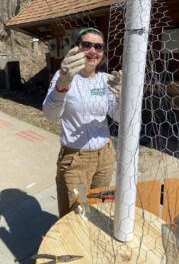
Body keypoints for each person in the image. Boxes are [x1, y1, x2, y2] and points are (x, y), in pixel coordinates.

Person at [43, 27, 122, 217]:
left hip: (105, 156)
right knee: (76, 214)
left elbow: (118, 116)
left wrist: (121, 98)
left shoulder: (106, 80)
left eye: (98, 47)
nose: (93, 51)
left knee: (99, 207)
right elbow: (50, 114)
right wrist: (62, 84)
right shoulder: (64, 77)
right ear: (76, 49)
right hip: (75, 159)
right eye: (87, 45)